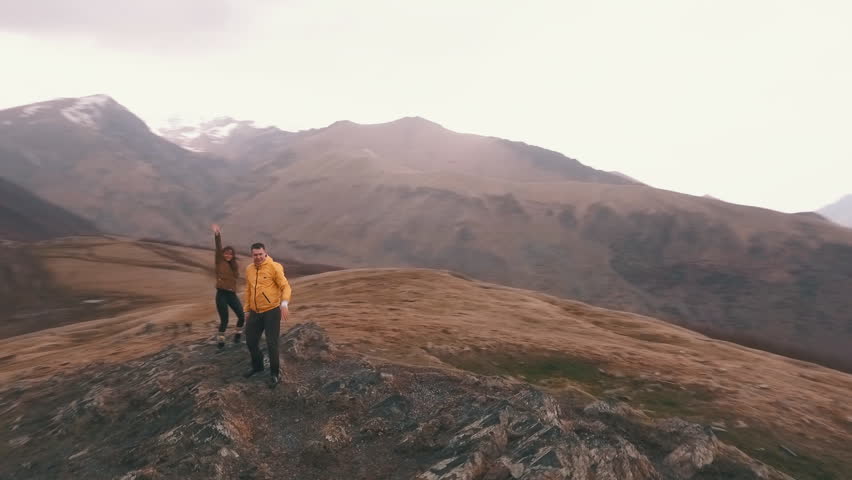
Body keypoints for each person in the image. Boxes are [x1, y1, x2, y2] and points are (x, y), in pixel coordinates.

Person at [242, 242, 292, 388]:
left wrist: (284, 303)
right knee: (251, 341)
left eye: (260, 254)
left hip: (272, 311)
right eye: (255, 255)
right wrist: (246, 309)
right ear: (252, 255)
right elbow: (248, 291)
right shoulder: (249, 269)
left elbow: (285, 286)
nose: (258, 257)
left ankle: (274, 374)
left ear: (265, 253)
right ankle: (258, 367)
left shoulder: (274, 267)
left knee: (272, 343)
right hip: (255, 312)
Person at [212, 224, 245, 349]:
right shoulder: (219, 261)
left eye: (230, 254)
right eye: (226, 253)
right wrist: (217, 234)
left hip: (232, 294)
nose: (228, 255)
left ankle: (237, 337)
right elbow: (218, 247)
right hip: (221, 294)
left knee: (241, 317)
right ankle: (221, 342)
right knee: (224, 321)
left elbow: (236, 277)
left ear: (233, 255)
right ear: (222, 254)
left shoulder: (234, 265)